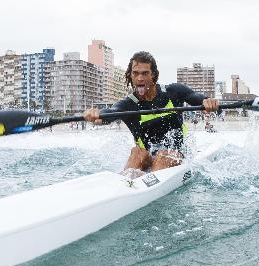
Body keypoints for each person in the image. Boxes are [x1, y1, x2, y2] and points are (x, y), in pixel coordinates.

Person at [83, 51, 218, 174]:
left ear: (153, 74)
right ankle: (125, 182)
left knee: (163, 154)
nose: (140, 78)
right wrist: (97, 116)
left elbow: (196, 98)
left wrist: (207, 102)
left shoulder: (173, 92)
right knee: (137, 153)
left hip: (177, 154)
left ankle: (149, 179)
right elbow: (110, 113)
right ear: (130, 75)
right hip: (146, 158)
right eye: (135, 73)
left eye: (145, 73)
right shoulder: (128, 104)